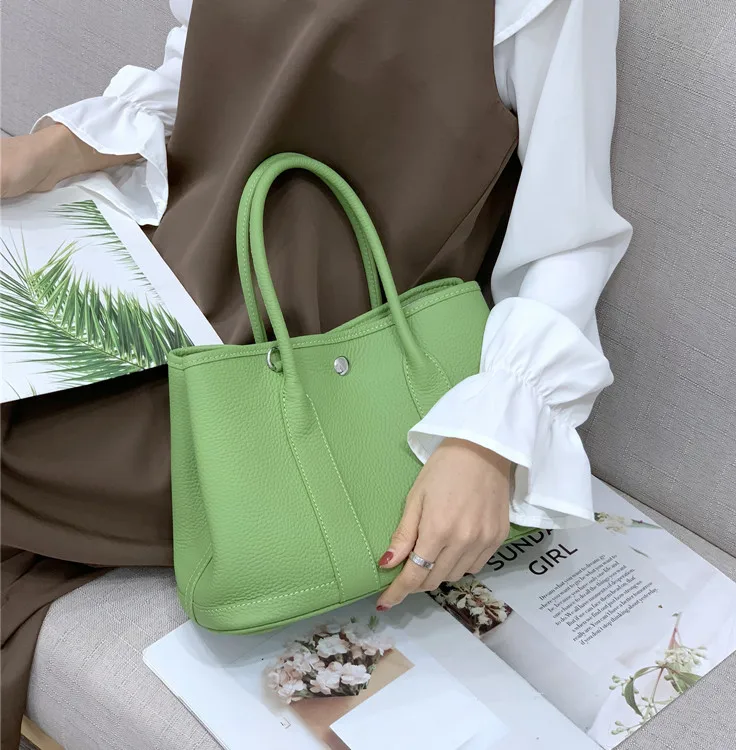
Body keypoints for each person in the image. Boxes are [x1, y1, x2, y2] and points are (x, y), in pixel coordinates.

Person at [0, 0, 632, 745]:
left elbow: (568, 232)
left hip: (329, 339)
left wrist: (489, 440)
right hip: (184, 253)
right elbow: (206, 68)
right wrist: (52, 150)